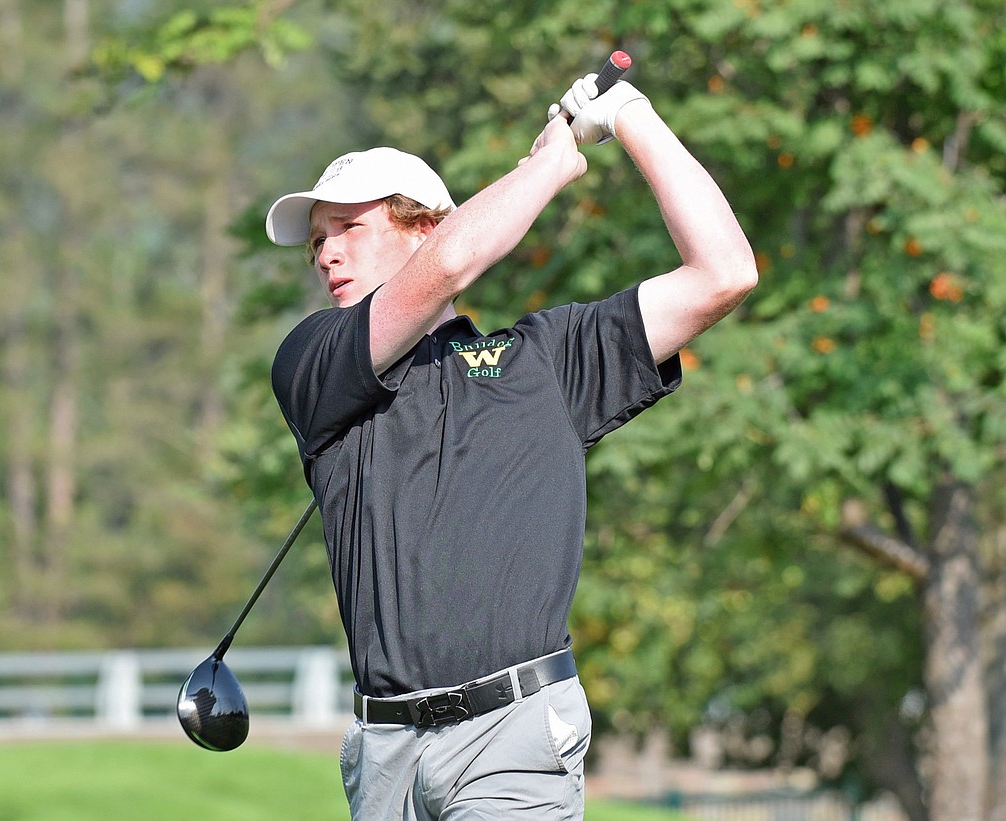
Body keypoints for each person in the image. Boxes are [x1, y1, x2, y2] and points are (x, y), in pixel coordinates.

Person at [264, 67, 756, 820]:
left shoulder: (546, 360)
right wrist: (550, 161)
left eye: (350, 228)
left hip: (515, 734)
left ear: (425, 223)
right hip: (384, 753)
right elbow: (450, 266)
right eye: (319, 241)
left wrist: (629, 116)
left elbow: (724, 272)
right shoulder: (313, 360)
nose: (328, 254)